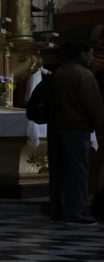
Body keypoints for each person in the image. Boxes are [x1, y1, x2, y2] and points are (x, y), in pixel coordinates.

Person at [47, 40, 102, 226]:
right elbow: (93, 105)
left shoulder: (58, 73)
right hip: (76, 128)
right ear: (82, 55)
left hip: (55, 128)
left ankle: (57, 211)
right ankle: (76, 212)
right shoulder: (84, 75)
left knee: (58, 171)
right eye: (91, 54)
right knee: (77, 171)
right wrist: (95, 124)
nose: (92, 58)